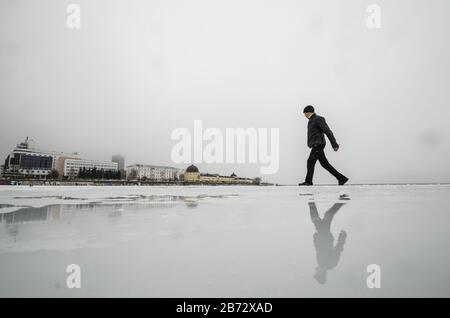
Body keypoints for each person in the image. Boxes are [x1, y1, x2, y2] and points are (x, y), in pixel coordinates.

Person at [299, 105, 349, 186]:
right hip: (315, 144)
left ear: (308, 112)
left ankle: (308, 181)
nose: (304, 115)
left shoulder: (318, 119)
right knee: (324, 164)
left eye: (304, 113)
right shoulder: (311, 120)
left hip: (318, 144)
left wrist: (334, 144)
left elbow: (328, 131)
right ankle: (341, 178)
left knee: (310, 161)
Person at [309, 202, 347, 284]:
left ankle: (340, 201)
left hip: (324, 236)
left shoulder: (324, 263)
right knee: (318, 218)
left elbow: (318, 248)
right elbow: (338, 249)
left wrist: (315, 239)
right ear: (321, 274)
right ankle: (311, 202)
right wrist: (342, 237)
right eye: (317, 273)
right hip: (324, 237)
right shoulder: (328, 263)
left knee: (326, 216)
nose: (316, 270)